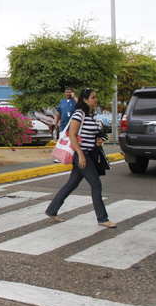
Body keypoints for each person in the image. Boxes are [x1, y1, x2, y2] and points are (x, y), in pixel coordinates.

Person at [45, 88, 115, 228]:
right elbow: (72, 134)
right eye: (93, 97)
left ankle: (52, 209)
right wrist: (81, 155)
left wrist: (99, 140)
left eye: (96, 97)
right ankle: (102, 218)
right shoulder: (79, 114)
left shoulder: (90, 115)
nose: (96, 99)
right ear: (85, 100)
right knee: (96, 185)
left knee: (71, 184)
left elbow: (95, 134)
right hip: (81, 155)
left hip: (88, 153)